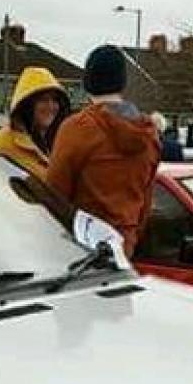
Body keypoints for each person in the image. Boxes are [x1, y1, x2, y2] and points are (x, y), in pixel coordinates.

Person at [46, 45, 160, 257]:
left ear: (88, 82)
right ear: (122, 82)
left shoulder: (77, 128)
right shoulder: (149, 133)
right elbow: (145, 201)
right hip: (125, 246)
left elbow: (54, 196)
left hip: (82, 249)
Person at [0, 66, 70, 181]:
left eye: (55, 100)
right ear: (27, 105)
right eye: (43, 100)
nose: (51, 106)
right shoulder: (3, 141)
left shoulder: (51, 143)